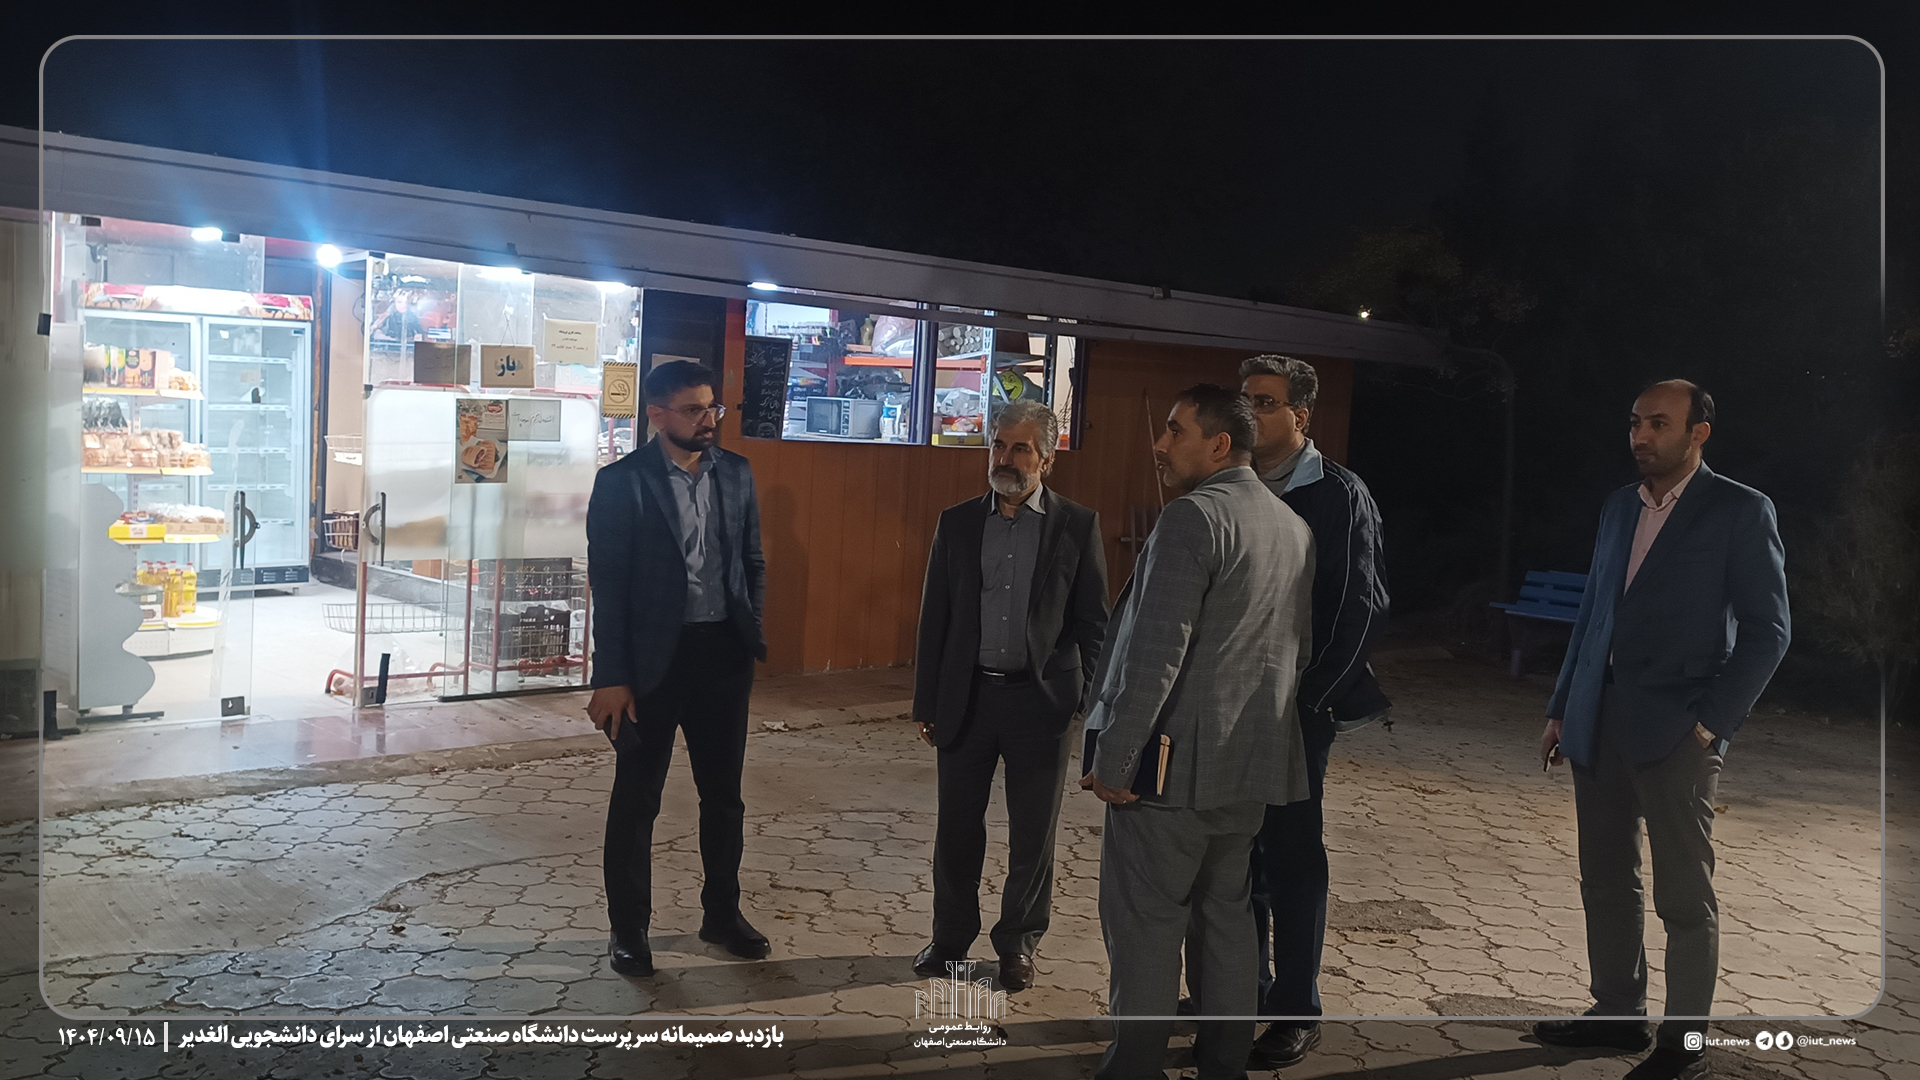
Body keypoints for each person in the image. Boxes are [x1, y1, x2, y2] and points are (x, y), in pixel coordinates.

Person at [1533, 380, 1790, 1080]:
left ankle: (1684, 1047)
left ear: (1698, 432)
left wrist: (1712, 726)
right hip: (1599, 719)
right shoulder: (1620, 506)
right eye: (1635, 423)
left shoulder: (1740, 510)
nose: (1640, 436)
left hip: (1679, 728)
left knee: (1684, 896)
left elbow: (1769, 631)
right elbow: (1593, 613)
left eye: (1658, 424)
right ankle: (1616, 1012)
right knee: (1604, 878)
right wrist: (1563, 707)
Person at [1082, 384, 1316, 1080]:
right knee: (1228, 922)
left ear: (1218, 444)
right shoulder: (1291, 527)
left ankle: (1134, 1068)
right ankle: (1224, 1065)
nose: (1160, 445)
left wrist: (1115, 760)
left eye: (1174, 430)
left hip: (1167, 774)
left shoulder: (1193, 519)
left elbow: (1155, 655)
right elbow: (1294, 653)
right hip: (1248, 771)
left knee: (1147, 927)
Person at [910, 399, 1111, 992]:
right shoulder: (956, 522)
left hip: (1041, 704)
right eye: (998, 445)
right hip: (968, 701)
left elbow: (1093, 622)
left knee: (1032, 835)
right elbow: (935, 618)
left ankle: (1018, 943)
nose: (1005, 458)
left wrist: (1090, 703)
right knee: (956, 830)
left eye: (1020, 448)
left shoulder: (1077, 525)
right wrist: (927, 702)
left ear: (1046, 459)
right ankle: (950, 938)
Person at [585, 360, 770, 978]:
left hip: (723, 658)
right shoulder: (622, 482)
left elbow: (752, 560)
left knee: (724, 798)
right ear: (657, 414)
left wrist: (750, 631)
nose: (707, 419)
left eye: (712, 407)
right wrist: (611, 677)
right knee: (637, 800)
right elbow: (609, 585)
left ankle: (722, 915)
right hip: (649, 667)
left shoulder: (736, 473)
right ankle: (629, 931)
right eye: (693, 410)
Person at [1237, 354, 1390, 1069]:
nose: (1249, 412)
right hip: (1230, 706)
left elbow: (1361, 607)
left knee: (1292, 859)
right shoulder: (1232, 481)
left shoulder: (1337, 493)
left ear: (1300, 415)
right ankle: (1241, 991)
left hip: (1297, 710)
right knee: (1235, 857)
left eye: (1265, 402)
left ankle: (1296, 1011)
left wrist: (1313, 701)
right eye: (1244, 399)